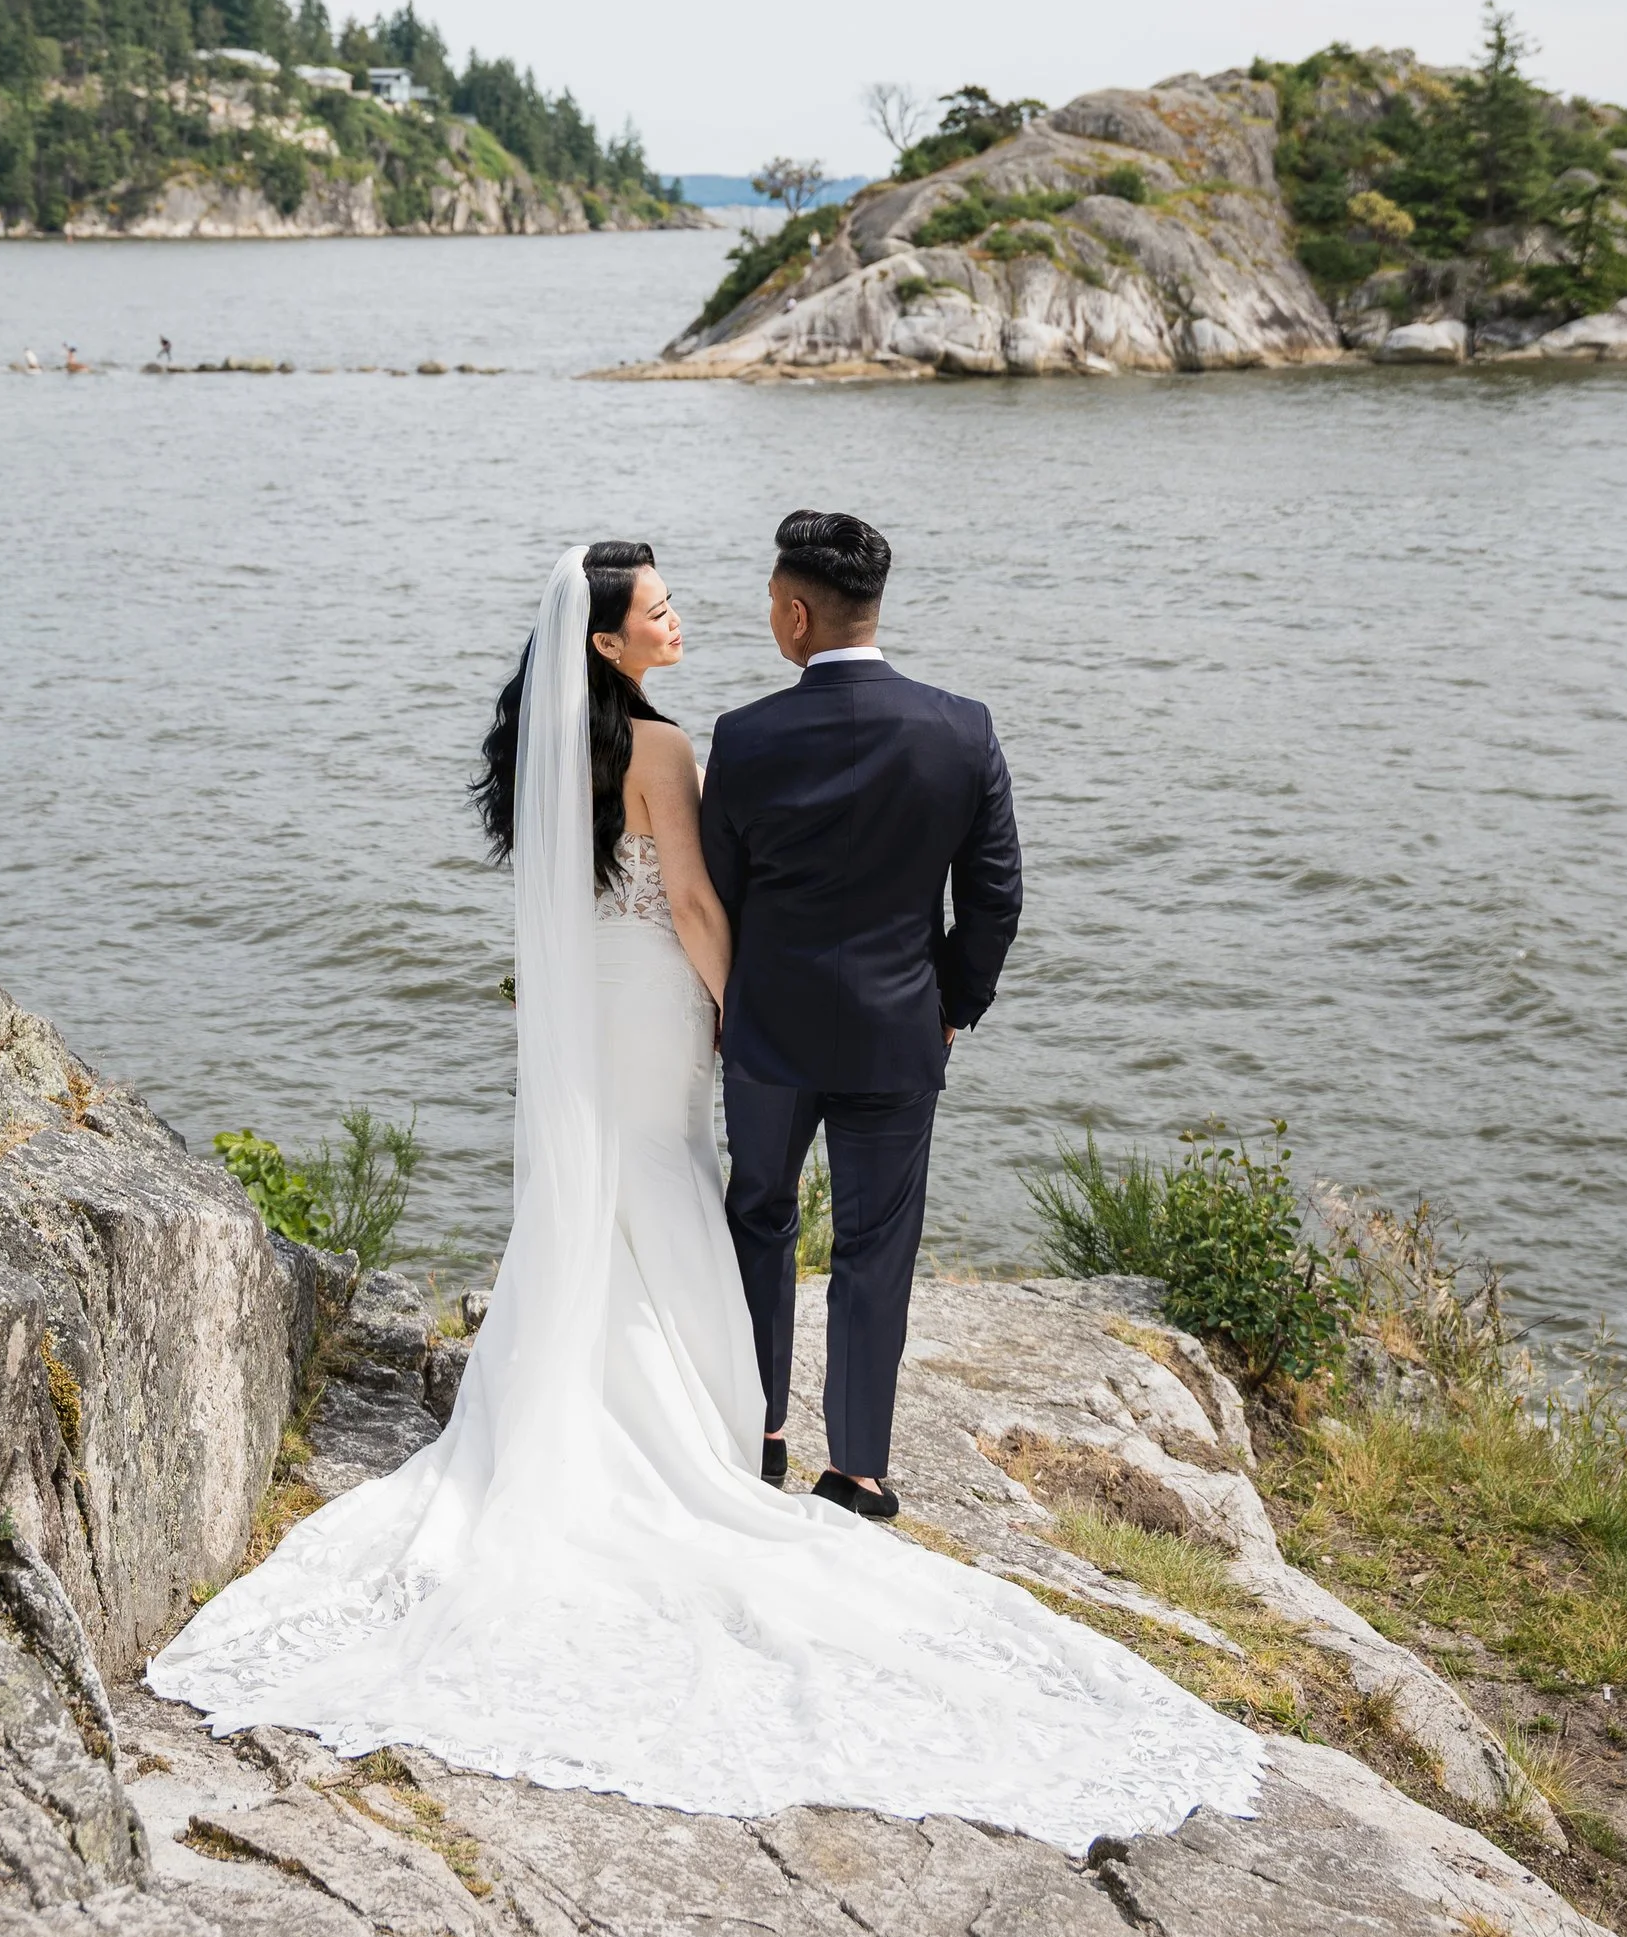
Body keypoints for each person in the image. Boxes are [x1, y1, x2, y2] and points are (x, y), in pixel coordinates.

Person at [146, 537, 1259, 1852]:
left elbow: (663, 882)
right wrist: (821, 1001)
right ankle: (816, 1451)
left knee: (702, 1203)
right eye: (661, 608)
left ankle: (732, 1427)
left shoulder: (607, 746)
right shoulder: (777, 741)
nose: (683, 617)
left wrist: (763, 1020)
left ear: (796, 611)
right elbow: (737, 892)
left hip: (620, 1010)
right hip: (763, 1006)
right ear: (610, 642)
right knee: (776, 1213)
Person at [703, 508, 1018, 1520]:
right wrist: (952, 1006)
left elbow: (719, 893)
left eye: (768, 603)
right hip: (898, 1028)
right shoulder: (960, 727)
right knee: (874, 1246)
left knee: (758, 1218)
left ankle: (756, 1433)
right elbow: (996, 894)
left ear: (796, 615)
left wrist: (728, 1005)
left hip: (769, 1034)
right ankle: (859, 1468)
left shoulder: (746, 736)